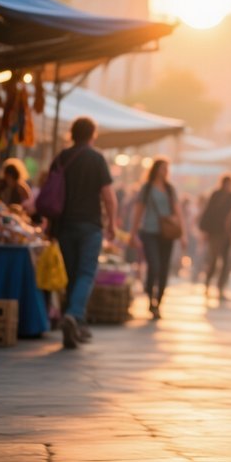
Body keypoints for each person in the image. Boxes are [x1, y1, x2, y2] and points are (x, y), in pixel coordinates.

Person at [51, 117, 117, 349]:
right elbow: (108, 196)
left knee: (72, 274)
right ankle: (74, 315)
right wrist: (112, 223)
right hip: (90, 224)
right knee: (86, 273)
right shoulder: (96, 158)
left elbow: (50, 188)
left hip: (64, 224)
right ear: (92, 135)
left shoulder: (62, 157)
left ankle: (75, 322)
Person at [129, 158, 185, 319]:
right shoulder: (146, 188)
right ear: (155, 169)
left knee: (164, 269)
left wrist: (183, 234)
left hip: (167, 233)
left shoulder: (169, 189)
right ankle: (150, 297)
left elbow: (178, 211)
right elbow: (139, 210)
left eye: (167, 168)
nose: (165, 171)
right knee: (154, 265)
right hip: (149, 231)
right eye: (163, 168)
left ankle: (158, 302)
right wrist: (133, 233)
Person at [199, 173, 231, 300]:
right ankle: (207, 283)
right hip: (215, 232)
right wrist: (205, 231)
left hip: (228, 233)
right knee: (213, 260)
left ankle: (220, 287)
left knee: (226, 261)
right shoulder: (216, 195)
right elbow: (208, 212)